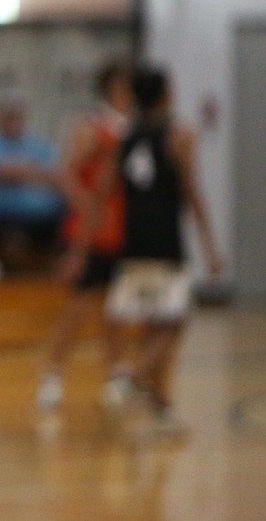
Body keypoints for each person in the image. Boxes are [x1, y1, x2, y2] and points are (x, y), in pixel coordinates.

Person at [86, 66, 223, 434]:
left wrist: (84, 244)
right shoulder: (178, 135)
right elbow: (192, 192)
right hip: (165, 243)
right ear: (166, 94)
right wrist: (210, 246)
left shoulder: (124, 137)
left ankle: (160, 407)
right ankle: (129, 383)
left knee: (152, 326)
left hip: (132, 244)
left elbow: (100, 192)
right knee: (174, 322)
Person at [35, 61, 132, 411]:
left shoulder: (131, 129)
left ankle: (117, 375)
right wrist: (87, 205)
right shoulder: (93, 128)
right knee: (76, 309)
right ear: (112, 88)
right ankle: (52, 376)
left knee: (115, 311)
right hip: (88, 232)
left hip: (119, 232)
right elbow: (67, 172)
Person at [0, 90, 64, 274]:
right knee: (12, 239)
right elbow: (1, 171)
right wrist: (34, 172)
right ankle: (12, 283)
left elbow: (57, 176)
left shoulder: (37, 144)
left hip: (42, 218)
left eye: (17, 115)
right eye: (8, 115)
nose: (13, 120)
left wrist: (23, 171)